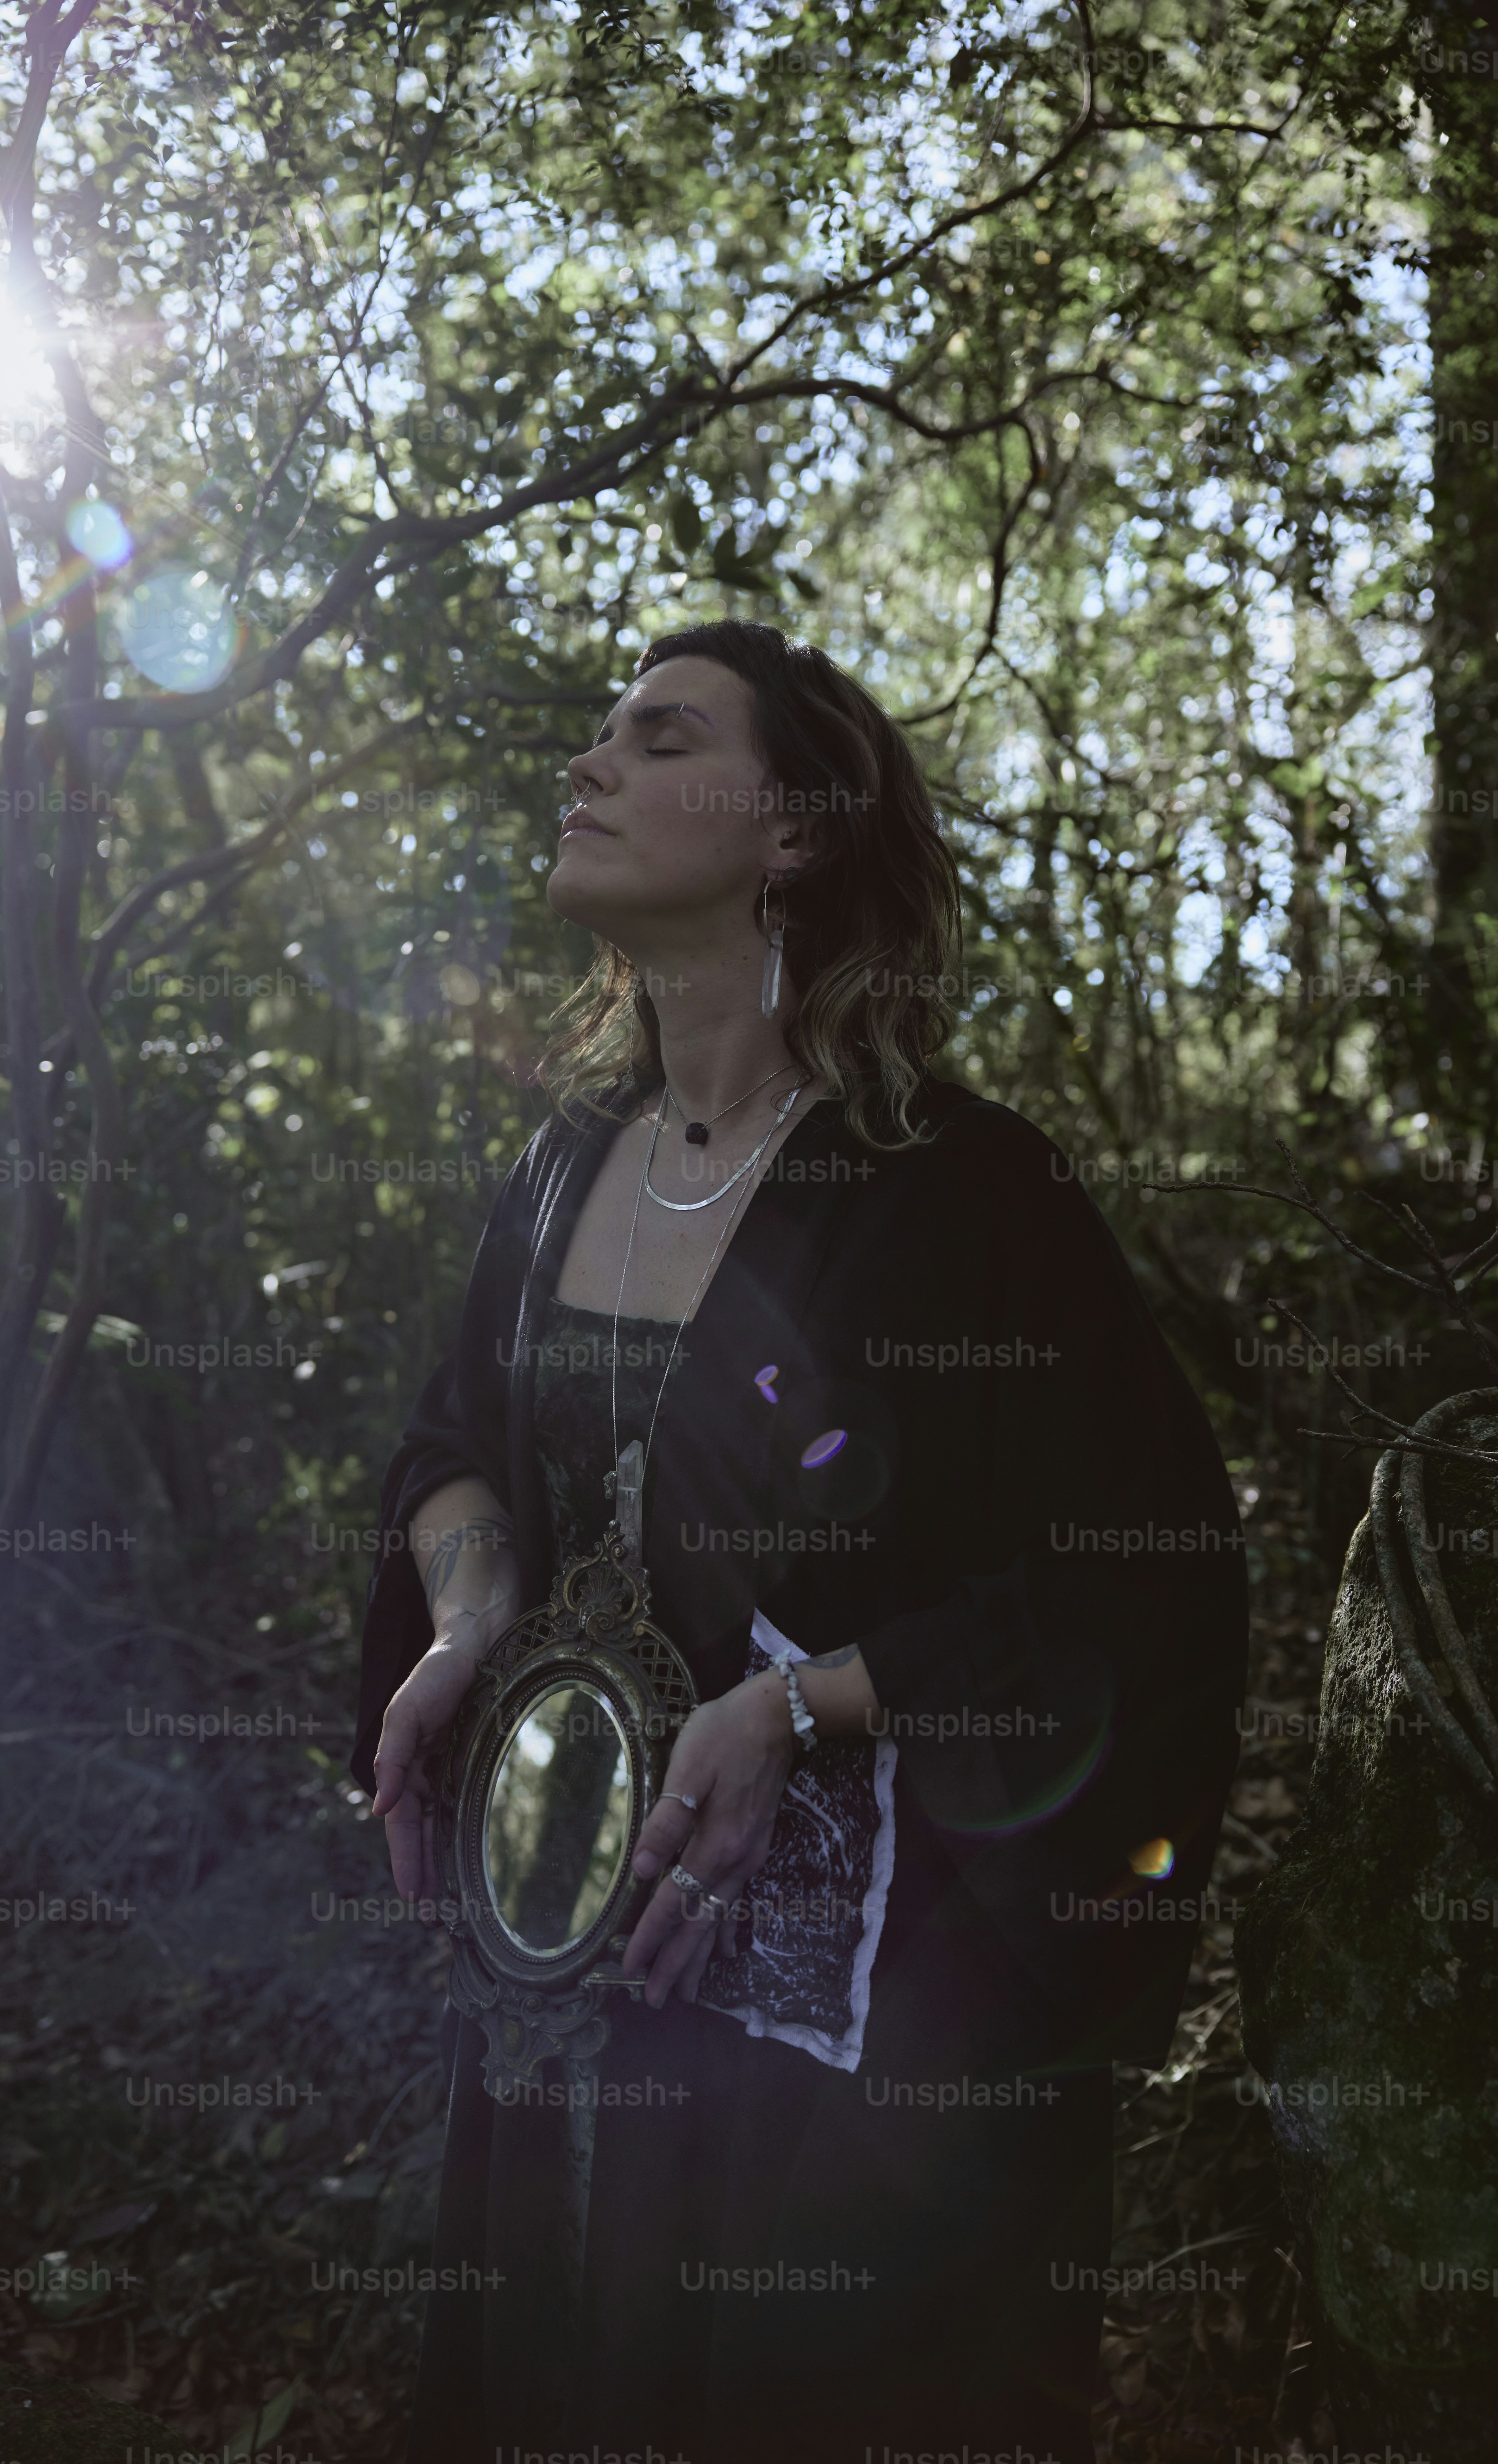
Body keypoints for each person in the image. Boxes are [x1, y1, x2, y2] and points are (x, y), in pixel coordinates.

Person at [351, 620, 1248, 2464]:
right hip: (565, 1982)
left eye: (658, 735)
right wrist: (464, 1616)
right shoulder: (558, 1168)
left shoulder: (969, 1196)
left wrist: (807, 1707)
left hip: (843, 2061)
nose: (589, 764)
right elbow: (454, 1452)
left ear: (793, 835)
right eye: (594, 734)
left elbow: (1145, 1566)